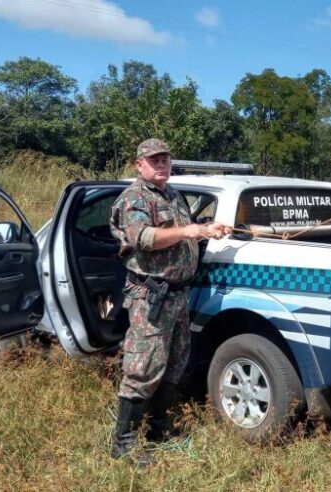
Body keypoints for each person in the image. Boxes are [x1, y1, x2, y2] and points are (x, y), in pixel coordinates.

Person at [108, 138, 231, 463]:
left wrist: (207, 229)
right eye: (154, 160)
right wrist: (189, 232)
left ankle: (159, 430)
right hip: (150, 296)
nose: (161, 164)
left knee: (174, 363)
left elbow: (184, 231)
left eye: (165, 159)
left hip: (178, 294)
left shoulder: (173, 195)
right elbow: (143, 238)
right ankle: (124, 446)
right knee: (142, 368)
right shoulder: (134, 197)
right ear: (139, 164)